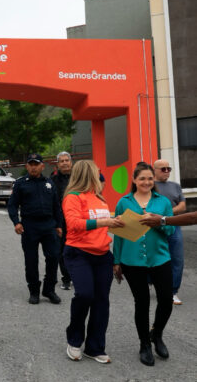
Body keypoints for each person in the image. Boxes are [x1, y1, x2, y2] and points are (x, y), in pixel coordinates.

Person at [61, 160, 123, 364]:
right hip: (78, 253)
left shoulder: (100, 198)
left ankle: (95, 347)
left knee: (101, 301)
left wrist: (121, 223)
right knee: (85, 294)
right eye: (97, 173)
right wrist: (106, 221)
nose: (100, 176)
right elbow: (74, 224)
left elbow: (103, 228)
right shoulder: (73, 197)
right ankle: (74, 338)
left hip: (103, 254)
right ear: (88, 174)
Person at [113, 162, 174, 367]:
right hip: (132, 260)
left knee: (166, 299)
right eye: (142, 179)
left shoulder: (163, 202)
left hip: (160, 258)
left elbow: (171, 230)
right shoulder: (124, 202)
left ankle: (156, 335)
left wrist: (159, 221)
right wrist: (116, 261)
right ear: (134, 180)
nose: (146, 182)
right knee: (143, 302)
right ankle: (144, 344)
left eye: (149, 178)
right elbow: (119, 235)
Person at [7, 153, 63, 305]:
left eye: (36, 164)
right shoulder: (21, 183)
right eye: (30, 164)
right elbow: (12, 205)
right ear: (27, 166)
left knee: (53, 257)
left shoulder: (49, 183)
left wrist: (59, 225)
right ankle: (34, 291)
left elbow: (56, 207)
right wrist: (16, 222)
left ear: (42, 166)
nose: (33, 167)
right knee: (31, 260)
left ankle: (49, 289)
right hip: (29, 226)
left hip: (48, 226)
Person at [151, 159, 186, 305]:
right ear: (154, 171)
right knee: (152, 256)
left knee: (177, 259)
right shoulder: (149, 186)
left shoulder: (175, 186)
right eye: (163, 169)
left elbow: (183, 205)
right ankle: (151, 281)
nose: (167, 171)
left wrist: (166, 214)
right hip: (154, 226)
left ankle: (172, 291)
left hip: (174, 225)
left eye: (169, 169)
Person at [51, 151, 73, 291]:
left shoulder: (78, 178)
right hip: (60, 221)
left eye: (67, 160)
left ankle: (78, 275)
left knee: (77, 249)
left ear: (71, 162)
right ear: (57, 164)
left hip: (77, 220)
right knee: (61, 250)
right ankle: (66, 278)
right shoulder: (52, 180)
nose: (64, 163)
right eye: (61, 161)